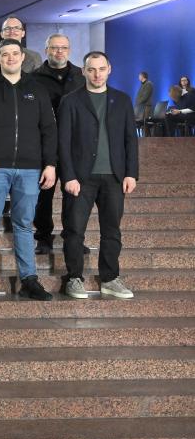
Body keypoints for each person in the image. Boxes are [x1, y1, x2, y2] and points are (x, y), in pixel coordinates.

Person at [0, 39, 57, 303]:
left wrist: (50, 164)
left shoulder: (37, 90)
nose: (10, 58)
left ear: (22, 57)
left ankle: (29, 280)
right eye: (5, 54)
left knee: (23, 225)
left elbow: (49, 129)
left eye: (14, 53)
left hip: (30, 169)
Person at [59, 52, 139, 300]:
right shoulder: (71, 101)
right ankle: (74, 278)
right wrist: (68, 176)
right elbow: (63, 142)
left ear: (109, 69)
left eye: (101, 69)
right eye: (91, 69)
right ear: (83, 71)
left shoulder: (122, 100)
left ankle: (110, 278)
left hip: (114, 176)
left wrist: (131, 173)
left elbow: (130, 140)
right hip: (81, 178)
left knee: (112, 230)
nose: (97, 74)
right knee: (74, 230)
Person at [32, 33, 85, 254]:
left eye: (63, 48)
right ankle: (43, 237)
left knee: (73, 195)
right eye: (54, 48)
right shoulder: (34, 78)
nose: (59, 52)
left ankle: (73, 238)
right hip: (45, 144)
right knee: (44, 193)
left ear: (69, 50)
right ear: (46, 50)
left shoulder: (81, 77)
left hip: (75, 145)